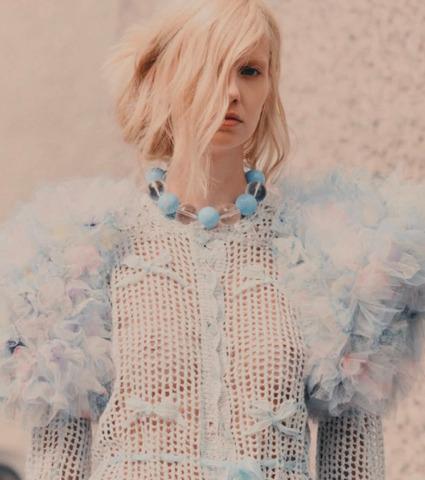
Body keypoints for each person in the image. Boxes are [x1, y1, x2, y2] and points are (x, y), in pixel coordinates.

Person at [0, 0, 424, 479]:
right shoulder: (85, 253)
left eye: (249, 71)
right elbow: (58, 464)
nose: (232, 91)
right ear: (163, 78)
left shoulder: (330, 253)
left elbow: (353, 466)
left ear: (269, 87)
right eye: (209, 68)